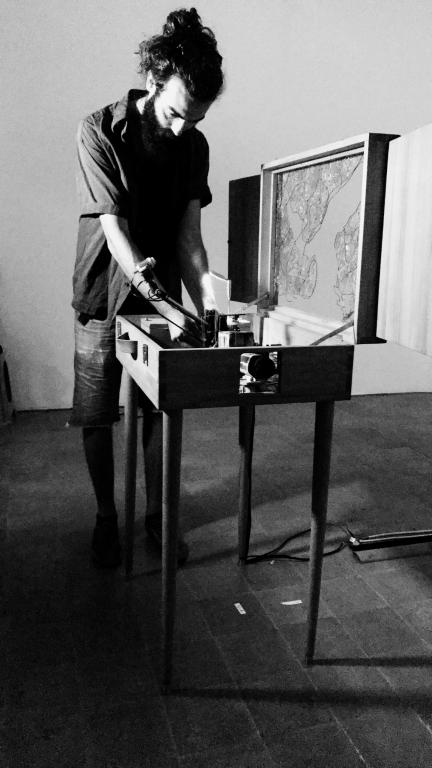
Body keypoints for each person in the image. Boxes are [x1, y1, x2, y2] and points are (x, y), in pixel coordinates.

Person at [69, 8, 224, 568]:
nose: (184, 128)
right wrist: (168, 304)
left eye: (197, 119)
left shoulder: (194, 146)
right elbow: (115, 230)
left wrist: (209, 305)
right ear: (156, 80)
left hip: (163, 302)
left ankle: (157, 515)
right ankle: (106, 517)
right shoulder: (98, 129)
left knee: (160, 410)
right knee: (96, 414)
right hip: (101, 293)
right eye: (178, 113)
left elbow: (189, 237)